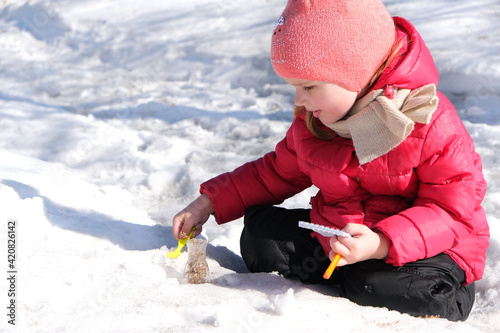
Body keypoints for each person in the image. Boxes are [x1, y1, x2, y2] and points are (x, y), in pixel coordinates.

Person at [172, 0, 489, 321]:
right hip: (343, 242)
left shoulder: (429, 121)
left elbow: (451, 211)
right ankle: (347, 278)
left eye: (309, 86)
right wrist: (208, 202)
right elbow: (272, 173)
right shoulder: (314, 122)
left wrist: (382, 243)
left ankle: (445, 297)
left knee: (381, 285)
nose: (299, 100)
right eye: (295, 87)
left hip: (427, 252)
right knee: (260, 236)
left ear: (355, 72)